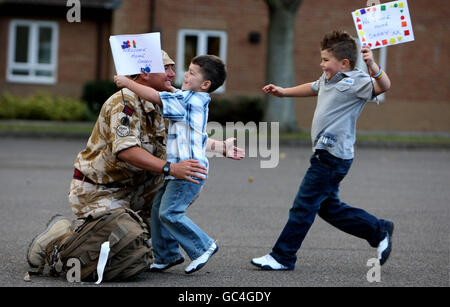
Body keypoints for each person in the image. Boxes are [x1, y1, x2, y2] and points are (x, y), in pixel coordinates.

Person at [26, 51, 243, 270]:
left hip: (135, 186)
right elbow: (127, 151)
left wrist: (219, 147)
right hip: (103, 189)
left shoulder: (167, 101)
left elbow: (185, 136)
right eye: (166, 68)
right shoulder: (125, 102)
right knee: (117, 253)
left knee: (182, 184)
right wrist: (171, 167)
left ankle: (160, 250)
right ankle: (60, 241)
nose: (173, 74)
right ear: (145, 72)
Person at [251, 30, 394, 271]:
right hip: (324, 154)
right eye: (322, 59)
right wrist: (284, 92)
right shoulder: (329, 78)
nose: (322, 64)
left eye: (326, 60)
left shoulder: (357, 81)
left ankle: (282, 256)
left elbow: (384, 86)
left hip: (332, 156)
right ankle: (378, 229)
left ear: (345, 63)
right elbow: (314, 87)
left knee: (303, 205)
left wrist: (372, 64)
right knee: (327, 207)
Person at [114, 54, 227, 274]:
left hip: (188, 170)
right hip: (181, 170)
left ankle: (203, 246)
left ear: (205, 84)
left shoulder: (189, 101)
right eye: (188, 70)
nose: (185, 74)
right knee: (158, 210)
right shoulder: (190, 97)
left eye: (192, 73)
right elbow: (174, 93)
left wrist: (129, 83)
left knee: (170, 213)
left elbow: (157, 97)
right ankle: (166, 255)